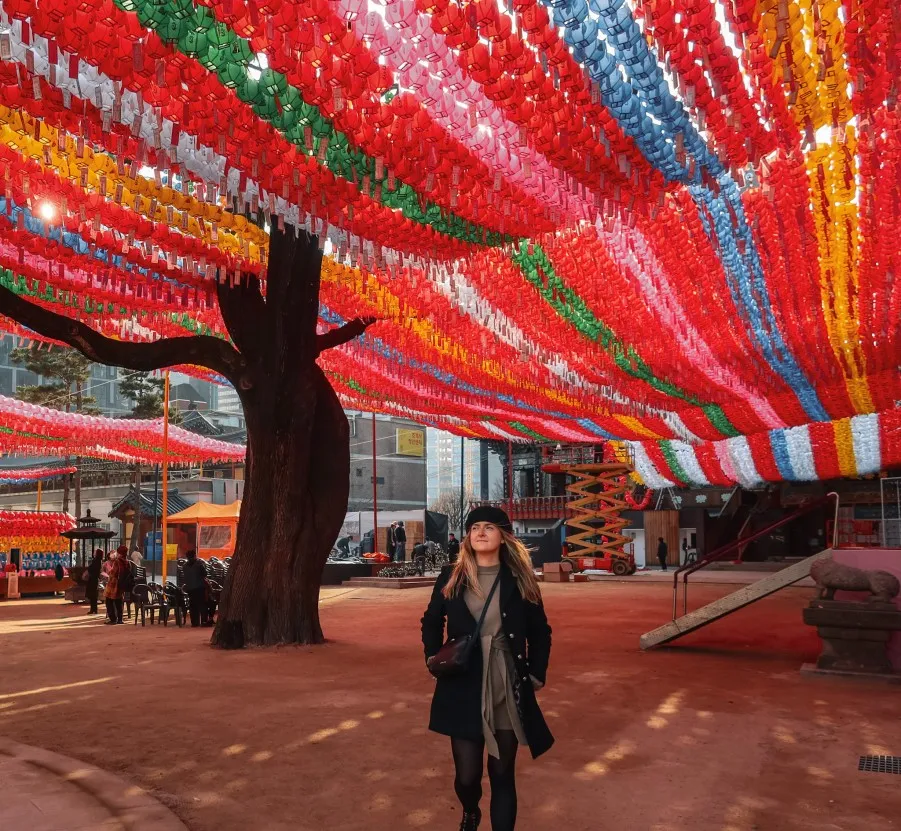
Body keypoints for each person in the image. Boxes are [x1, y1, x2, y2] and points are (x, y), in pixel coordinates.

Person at [422, 506, 553, 831]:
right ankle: (470, 810)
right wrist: (432, 656)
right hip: (462, 682)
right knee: (466, 777)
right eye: (475, 526)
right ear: (468, 535)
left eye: (489, 527)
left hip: (506, 682)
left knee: (502, 773)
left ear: (504, 536)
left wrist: (536, 672)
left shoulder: (520, 579)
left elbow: (540, 631)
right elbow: (431, 620)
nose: (481, 532)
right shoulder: (452, 574)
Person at [104, 546, 129, 624]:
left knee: (109, 601)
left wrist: (109, 571)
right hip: (121, 584)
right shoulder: (127, 562)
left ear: (120, 553)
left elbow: (113, 573)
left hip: (113, 584)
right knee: (119, 602)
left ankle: (113, 619)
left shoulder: (117, 562)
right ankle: (120, 619)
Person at [183, 549, 208, 627]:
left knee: (193, 606)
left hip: (190, 588)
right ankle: (203, 621)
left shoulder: (185, 566)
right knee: (202, 605)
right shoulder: (199, 565)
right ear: (194, 556)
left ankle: (194, 622)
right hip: (199, 587)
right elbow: (205, 574)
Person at [84, 549, 103, 615]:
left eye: (95, 552)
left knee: (93, 595)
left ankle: (94, 609)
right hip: (92, 579)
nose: (93, 552)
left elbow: (93, 569)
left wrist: (88, 571)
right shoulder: (96, 560)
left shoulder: (97, 561)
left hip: (94, 579)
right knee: (92, 596)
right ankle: (92, 609)